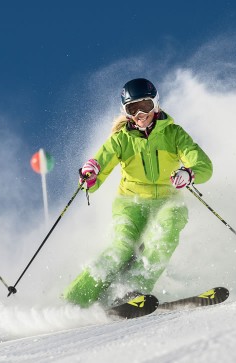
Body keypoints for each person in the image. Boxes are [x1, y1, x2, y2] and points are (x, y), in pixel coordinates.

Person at [63, 78, 213, 308]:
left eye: (146, 106)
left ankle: (133, 289)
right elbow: (98, 168)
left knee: (166, 230)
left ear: (156, 105)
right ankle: (76, 299)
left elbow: (203, 164)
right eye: (133, 109)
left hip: (167, 200)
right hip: (130, 203)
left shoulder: (173, 134)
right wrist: (89, 175)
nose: (141, 113)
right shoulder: (121, 139)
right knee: (121, 247)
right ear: (126, 112)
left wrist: (189, 174)